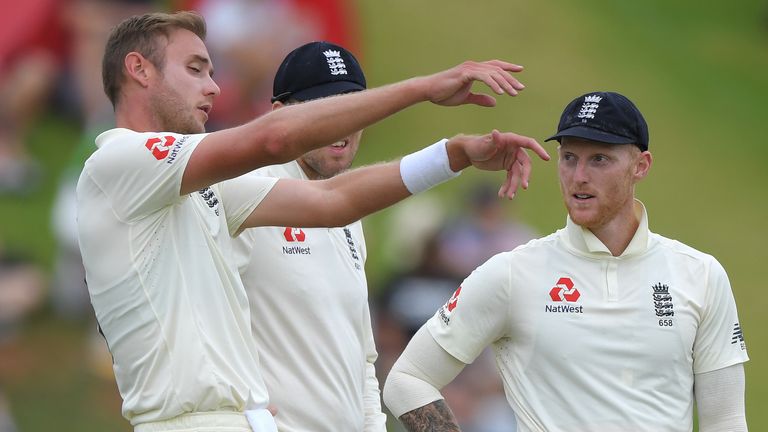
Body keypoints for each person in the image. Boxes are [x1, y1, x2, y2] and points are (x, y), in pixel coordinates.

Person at [76, 11, 550, 432]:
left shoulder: (203, 187)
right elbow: (274, 141)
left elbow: (332, 202)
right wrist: (424, 88)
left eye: (212, 71)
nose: (214, 87)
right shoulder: (117, 161)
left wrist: (452, 154)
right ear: (138, 69)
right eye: (195, 69)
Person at [383, 91, 749, 432]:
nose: (579, 177)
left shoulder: (701, 274)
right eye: (569, 157)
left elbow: (727, 419)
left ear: (641, 166)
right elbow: (407, 380)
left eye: (599, 159)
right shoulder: (513, 273)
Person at [231, 40, 383, 431]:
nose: (342, 124)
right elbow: (195, 323)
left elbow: (361, 356)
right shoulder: (244, 193)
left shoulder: (350, 214)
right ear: (279, 116)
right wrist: (239, 415)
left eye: (352, 108)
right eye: (324, 109)